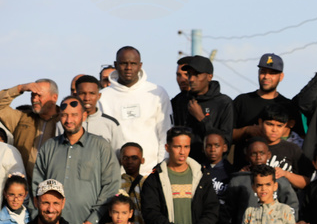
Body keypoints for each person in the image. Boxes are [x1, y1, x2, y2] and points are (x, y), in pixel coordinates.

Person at [32, 96, 119, 224]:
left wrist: (94, 220)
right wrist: (38, 218)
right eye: (64, 115)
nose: (68, 120)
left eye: (74, 115)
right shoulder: (49, 147)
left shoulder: (100, 146)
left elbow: (111, 186)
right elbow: (37, 186)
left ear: (84, 116)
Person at [99, 46, 172, 174]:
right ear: (116, 65)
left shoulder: (157, 93)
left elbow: (165, 134)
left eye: (133, 63)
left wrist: (161, 167)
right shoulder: (103, 97)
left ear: (140, 65)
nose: (128, 68)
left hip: (150, 173)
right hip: (115, 175)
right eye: (123, 63)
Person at [232, 53, 299, 162]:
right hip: (244, 171)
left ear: (281, 76)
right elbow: (225, 136)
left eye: (272, 73)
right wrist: (247, 130)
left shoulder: (288, 105)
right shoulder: (242, 101)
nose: (266, 76)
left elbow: (297, 138)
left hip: (278, 173)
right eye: (263, 72)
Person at [171, 56, 234, 165]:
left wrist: (202, 119)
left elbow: (225, 144)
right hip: (184, 166)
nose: (191, 79)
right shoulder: (179, 101)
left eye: (196, 74)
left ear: (209, 76)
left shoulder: (224, 103)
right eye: (189, 74)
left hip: (212, 169)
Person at [0, 78, 61, 180]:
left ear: (54, 97)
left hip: (52, 186)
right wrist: (20, 88)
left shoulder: (64, 121)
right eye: (32, 95)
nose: (34, 99)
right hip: (24, 187)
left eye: (39, 95)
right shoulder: (22, 118)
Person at [256, 103, 309, 189]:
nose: (274, 129)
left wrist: (286, 174)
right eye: (270, 124)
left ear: (285, 125)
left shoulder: (293, 149)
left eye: (279, 126)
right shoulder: (252, 147)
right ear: (260, 122)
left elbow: (306, 182)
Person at [71, 75, 126, 152]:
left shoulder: (111, 124)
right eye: (83, 93)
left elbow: (116, 158)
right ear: (76, 95)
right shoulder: (66, 123)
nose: (87, 98)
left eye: (92, 93)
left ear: (99, 96)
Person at [118, 143, 146, 221]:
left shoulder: (147, 183)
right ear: (121, 161)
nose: (130, 161)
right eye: (126, 158)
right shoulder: (115, 183)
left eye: (134, 158)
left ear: (142, 160)